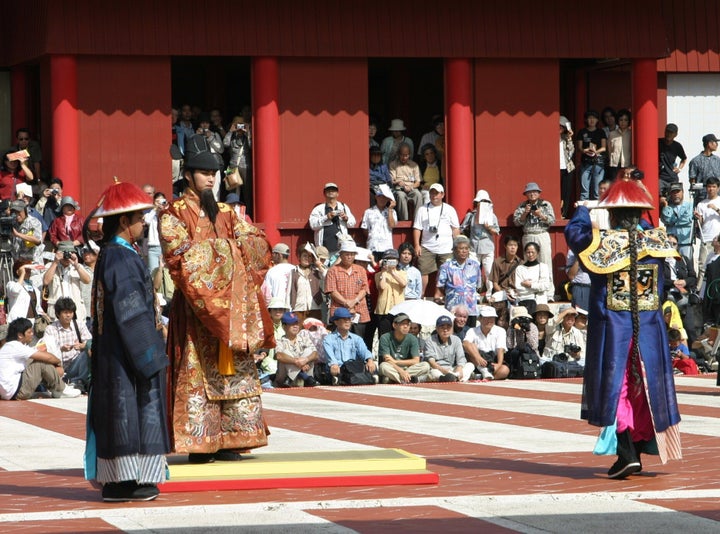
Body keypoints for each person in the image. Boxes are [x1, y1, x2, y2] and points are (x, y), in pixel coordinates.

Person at [159, 134, 274, 463]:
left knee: (233, 371)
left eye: (214, 173)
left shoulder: (228, 211)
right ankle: (200, 441)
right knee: (196, 372)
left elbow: (256, 245)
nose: (210, 178)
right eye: (203, 172)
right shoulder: (173, 213)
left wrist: (234, 254)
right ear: (188, 176)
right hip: (196, 310)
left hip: (232, 309)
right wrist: (229, 253)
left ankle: (231, 438)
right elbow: (179, 257)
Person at [565, 174, 681, 479]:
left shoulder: (601, 244)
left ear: (612, 213)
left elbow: (574, 233)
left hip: (614, 330)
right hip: (649, 331)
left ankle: (626, 452)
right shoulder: (655, 241)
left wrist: (584, 208)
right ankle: (638, 450)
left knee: (617, 387)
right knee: (643, 387)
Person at [84, 179, 170, 502]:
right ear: (123, 221)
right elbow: (131, 314)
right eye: (138, 218)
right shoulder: (121, 259)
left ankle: (121, 480)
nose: (142, 223)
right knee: (132, 412)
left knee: (118, 414)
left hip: (114, 354)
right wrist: (151, 355)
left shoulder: (114, 254)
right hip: (127, 357)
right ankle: (128, 480)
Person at [0, 318, 81, 401]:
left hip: (9, 392)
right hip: (18, 392)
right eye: (29, 332)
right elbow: (48, 357)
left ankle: (55, 388)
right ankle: (61, 389)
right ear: (20, 335)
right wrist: (58, 363)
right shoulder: (16, 346)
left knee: (35, 361)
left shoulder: (7, 347)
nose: (32, 334)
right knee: (41, 363)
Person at [413, 183, 460, 294]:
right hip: (426, 246)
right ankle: (421, 295)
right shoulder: (422, 209)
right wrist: (416, 245)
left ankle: (437, 295)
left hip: (446, 247)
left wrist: (456, 245)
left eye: (437, 193)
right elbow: (417, 228)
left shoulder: (449, 209)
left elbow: (455, 229)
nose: (434, 196)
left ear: (442, 195)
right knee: (423, 271)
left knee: (444, 273)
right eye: (432, 193)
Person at [513, 182, 556, 301]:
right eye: (529, 192)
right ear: (526, 194)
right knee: (529, 263)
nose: (532, 194)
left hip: (542, 233)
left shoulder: (546, 204)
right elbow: (516, 222)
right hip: (528, 234)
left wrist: (540, 215)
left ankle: (549, 293)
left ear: (539, 193)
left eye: (534, 192)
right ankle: (530, 292)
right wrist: (525, 213)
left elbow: (552, 221)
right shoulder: (522, 206)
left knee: (546, 263)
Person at [324, 240, 371, 341]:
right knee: (339, 339)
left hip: (359, 311)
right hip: (339, 310)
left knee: (359, 339)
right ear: (340, 255)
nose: (349, 257)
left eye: (352, 254)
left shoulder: (361, 270)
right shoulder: (333, 271)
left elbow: (364, 289)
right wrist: (346, 303)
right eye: (347, 254)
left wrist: (354, 301)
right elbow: (332, 290)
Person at [42, 297, 92, 391]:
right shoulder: (51, 329)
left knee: (86, 351)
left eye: (70, 312)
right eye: (65, 312)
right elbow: (46, 350)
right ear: (57, 314)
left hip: (76, 365)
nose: (68, 315)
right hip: (59, 367)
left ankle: (78, 381)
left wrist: (82, 346)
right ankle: (72, 382)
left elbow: (90, 343)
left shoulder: (79, 325)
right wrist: (60, 349)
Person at [434, 235, 483, 327]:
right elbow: (440, 287)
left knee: (469, 335)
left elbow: (478, 285)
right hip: (453, 308)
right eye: (461, 248)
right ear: (455, 250)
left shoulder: (475, 266)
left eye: (466, 248)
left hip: (470, 309)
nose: (464, 251)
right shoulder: (446, 266)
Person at [323, 307, 376, 385]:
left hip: (353, 368)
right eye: (344, 319)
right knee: (333, 369)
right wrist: (334, 364)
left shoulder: (357, 338)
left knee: (372, 365)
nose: (347, 321)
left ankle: (341, 379)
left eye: (349, 319)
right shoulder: (328, 339)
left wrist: (370, 360)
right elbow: (330, 357)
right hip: (338, 368)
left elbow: (364, 351)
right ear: (336, 322)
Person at [460, 190, 500, 293]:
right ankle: (472, 292)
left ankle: (490, 293)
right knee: (472, 270)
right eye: (480, 202)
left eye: (485, 201)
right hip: (474, 246)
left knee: (488, 271)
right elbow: (462, 229)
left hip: (487, 247)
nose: (482, 204)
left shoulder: (492, 216)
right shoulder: (471, 216)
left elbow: (497, 232)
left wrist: (488, 228)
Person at [43, 241, 91, 320]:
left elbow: (87, 280)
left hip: (76, 312)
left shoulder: (78, 267)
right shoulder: (50, 266)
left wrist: (76, 265)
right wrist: (55, 262)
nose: (67, 256)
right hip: (57, 313)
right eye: (64, 253)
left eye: (70, 253)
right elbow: (46, 281)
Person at [377, 312, 431, 384]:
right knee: (383, 366)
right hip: (392, 367)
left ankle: (398, 379)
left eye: (407, 324)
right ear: (394, 325)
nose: (406, 326)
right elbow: (387, 360)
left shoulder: (413, 339)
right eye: (402, 324)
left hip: (408, 368)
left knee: (426, 366)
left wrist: (396, 362)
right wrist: (401, 371)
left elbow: (416, 360)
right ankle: (409, 379)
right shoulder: (385, 337)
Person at [462, 306, 510, 380]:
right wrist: (478, 357)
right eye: (486, 318)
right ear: (480, 319)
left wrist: (499, 364)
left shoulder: (501, 331)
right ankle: (484, 372)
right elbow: (465, 343)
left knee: (505, 370)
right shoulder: (472, 330)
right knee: (471, 345)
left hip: (492, 359)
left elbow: (501, 349)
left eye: (492, 318)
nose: (489, 321)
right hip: (477, 360)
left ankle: (483, 376)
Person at [308, 182, 356, 255]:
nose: (331, 192)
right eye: (328, 190)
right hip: (324, 248)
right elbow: (313, 225)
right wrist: (326, 217)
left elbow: (353, 223)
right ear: (324, 194)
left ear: (337, 194)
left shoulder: (343, 207)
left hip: (341, 248)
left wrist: (346, 218)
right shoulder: (318, 209)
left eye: (333, 190)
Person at [273, 311, 318, 388]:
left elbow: (316, 354)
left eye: (296, 323)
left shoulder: (305, 339)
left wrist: (305, 360)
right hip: (283, 379)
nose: (295, 326)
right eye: (292, 324)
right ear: (284, 326)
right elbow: (279, 356)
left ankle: (295, 377)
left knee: (309, 351)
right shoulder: (279, 341)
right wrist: (296, 362)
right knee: (285, 353)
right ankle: (303, 376)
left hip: (302, 377)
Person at [425, 315, 475, 382]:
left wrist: (459, 368)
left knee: (470, 365)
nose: (445, 330)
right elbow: (432, 362)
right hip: (438, 369)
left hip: (452, 369)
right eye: (442, 327)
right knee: (433, 373)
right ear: (436, 328)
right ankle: (455, 379)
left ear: (452, 328)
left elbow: (461, 358)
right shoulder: (430, 340)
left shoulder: (456, 340)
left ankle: (455, 378)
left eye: (448, 327)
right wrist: (444, 370)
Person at [488, 235, 522, 327]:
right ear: (505, 246)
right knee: (501, 314)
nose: (513, 247)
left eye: (515, 245)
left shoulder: (521, 263)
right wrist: (504, 294)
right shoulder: (498, 262)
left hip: (516, 293)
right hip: (501, 293)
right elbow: (495, 283)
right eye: (510, 245)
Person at [693, 177, 720, 286]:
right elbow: (700, 223)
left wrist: (716, 209)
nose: (711, 189)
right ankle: (700, 291)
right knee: (703, 266)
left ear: (718, 188)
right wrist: (698, 218)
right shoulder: (701, 204)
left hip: (718, 238)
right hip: (706, 238)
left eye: (714, 187)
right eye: (709, 187)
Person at [374, 249, 407, 339]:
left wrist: (393, 272)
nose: (390, 261)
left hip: (398, 309)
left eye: (393, 259)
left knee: (399, 336)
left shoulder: (402, 273)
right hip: (384, 310)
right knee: (384, 337)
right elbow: (381, 287)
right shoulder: (378, 275)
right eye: (388, 259)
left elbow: (403, 284)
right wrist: (384, 272)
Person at [289, 243, 326, 321]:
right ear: (299, 257)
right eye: (305, 256)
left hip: (314, 308)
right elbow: (289, 292)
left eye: (310, 256)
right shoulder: (293, 272)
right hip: (298, 309)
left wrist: (319, 265)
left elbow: (328, 277)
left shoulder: (317, 271)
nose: (307, 258)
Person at [577, 110, 608, 201]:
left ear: (597, 120)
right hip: (585, 163)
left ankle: (597, 213)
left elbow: (604, 147)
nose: (592, 120)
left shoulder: (601, 132)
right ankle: (583, 213)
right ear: (586, 120)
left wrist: (596, 152)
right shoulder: (582, 132)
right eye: (590, 118)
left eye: (594, 118)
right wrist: (584, 150)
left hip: (598, 163)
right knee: (584, 192)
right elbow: (579, 147)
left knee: (597, 191)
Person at [514, 242, 552, 316]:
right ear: (525, 253)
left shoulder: (543, 267)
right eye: (528, 252)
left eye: (533, 252)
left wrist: (530, 285)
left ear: (537, 253)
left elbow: (546, 286)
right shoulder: (520, 268)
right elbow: (519, 288)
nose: (530, 254)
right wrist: (537, 288)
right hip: (524, 302)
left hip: (540, 303)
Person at [361, 184, 397, 261]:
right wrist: (372, 236)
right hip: (373, 245)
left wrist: (390, 209)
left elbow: (392, 225)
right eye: (380, 197)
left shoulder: (392, 212)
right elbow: (365, 229)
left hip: (387, 247)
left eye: (384, 197)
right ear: (376, 197)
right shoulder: (368, 212)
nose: (382, 199)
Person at [389, 142, 423, 221]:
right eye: (402, 155)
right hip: (399, 188)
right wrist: (398, 182)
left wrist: (411, 187)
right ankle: (404, 220)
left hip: (411, 188)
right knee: (400, 196)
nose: (404, 158)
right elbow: (392, 180)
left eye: (406, 155)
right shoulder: (393, 164)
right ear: (398, 154)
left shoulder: (414, 165)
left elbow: (418, 182)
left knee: (418, 195)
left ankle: (417, 220)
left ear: (409, 155)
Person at [660, 183, 694, 261]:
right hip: (671, 242)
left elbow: (687, 220)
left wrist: (673, 222)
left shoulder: (690, 205)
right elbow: (666, 220)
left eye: (678, 191)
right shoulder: (668, 207)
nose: (676, 194)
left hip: (686, 241)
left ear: (682, 192)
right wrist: (665, 206)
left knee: (686, 264)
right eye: (673, 192)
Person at [5, 259, 46, 324]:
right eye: (26, 271)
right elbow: (15, 290)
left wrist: (44, 315)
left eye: (30, 271)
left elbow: (37, 306)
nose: (29, 273)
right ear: (18, 271)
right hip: (17, 322)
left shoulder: (34, 288)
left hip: (32, 322)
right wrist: (22, 274)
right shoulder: (11, 284)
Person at [261, 243, 295, 307]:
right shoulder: (295, 269)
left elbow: (267, 294)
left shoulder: (272, 271)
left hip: (277, 309)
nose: (272, 256)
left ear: (279, 255)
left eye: (273, 253)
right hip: (294, 309)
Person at [658, 124, 687, 194]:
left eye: (671, 133)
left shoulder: (677, 146)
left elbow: (684, 158)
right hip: (659, 177)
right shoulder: (657, 142)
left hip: (672, 177)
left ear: (675, 134)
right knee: (658, 196)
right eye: (667, 131)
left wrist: (679, 168)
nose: (669, 134)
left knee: (674, 197)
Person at [143, 192, 167, 273]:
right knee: (153, 272)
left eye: (162, 201)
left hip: (164, 247)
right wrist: (155, 209)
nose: (160, 203)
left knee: (165, 273)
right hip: (152, 248)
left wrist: (165, 209)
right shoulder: (150, 215)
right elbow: (147, 221)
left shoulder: (167, 214)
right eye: (157, 201)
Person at [606, 109, 632, 178]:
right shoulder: (612, 134)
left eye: (625, 120)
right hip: (614, 164)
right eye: (621, 120)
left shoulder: (631, 134)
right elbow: (609, 149)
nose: (623, 122)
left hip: (627, 163)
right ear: (617, 121)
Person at [559, 115, 576, 219]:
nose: (560, 129)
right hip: (556, 168)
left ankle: (563, 213)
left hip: (567, 167)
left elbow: (571, 152)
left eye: (562, 127)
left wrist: (570, 138)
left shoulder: (565, 139)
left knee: (566, 191)